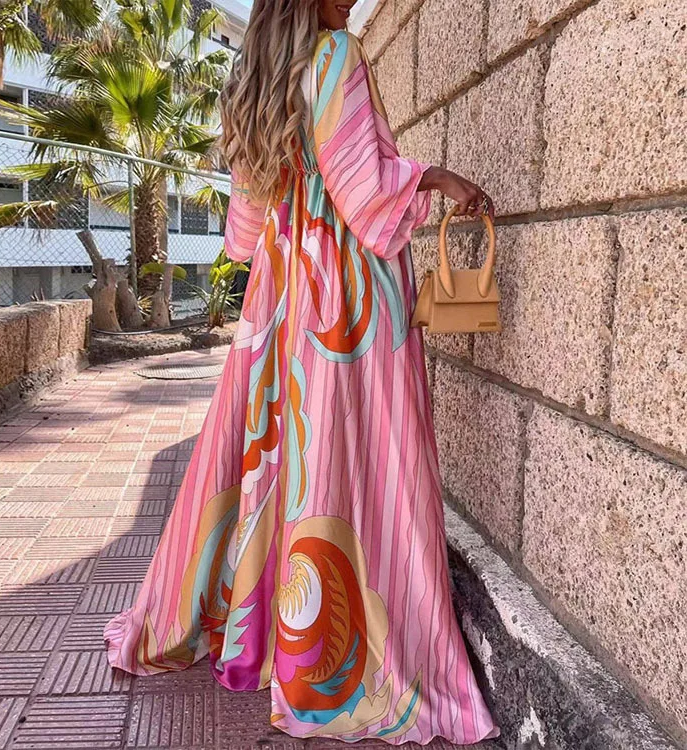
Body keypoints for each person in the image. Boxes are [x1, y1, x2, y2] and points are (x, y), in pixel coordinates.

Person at [104, 0, 500, 745]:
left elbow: (246, 228)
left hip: (281, 293)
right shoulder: (335, 57)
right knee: (362, 456)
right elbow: (364, 193)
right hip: (348, 298)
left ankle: (268, 628)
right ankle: (343, 652)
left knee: (285, 452)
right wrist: (438, 177)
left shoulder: (255, 76)